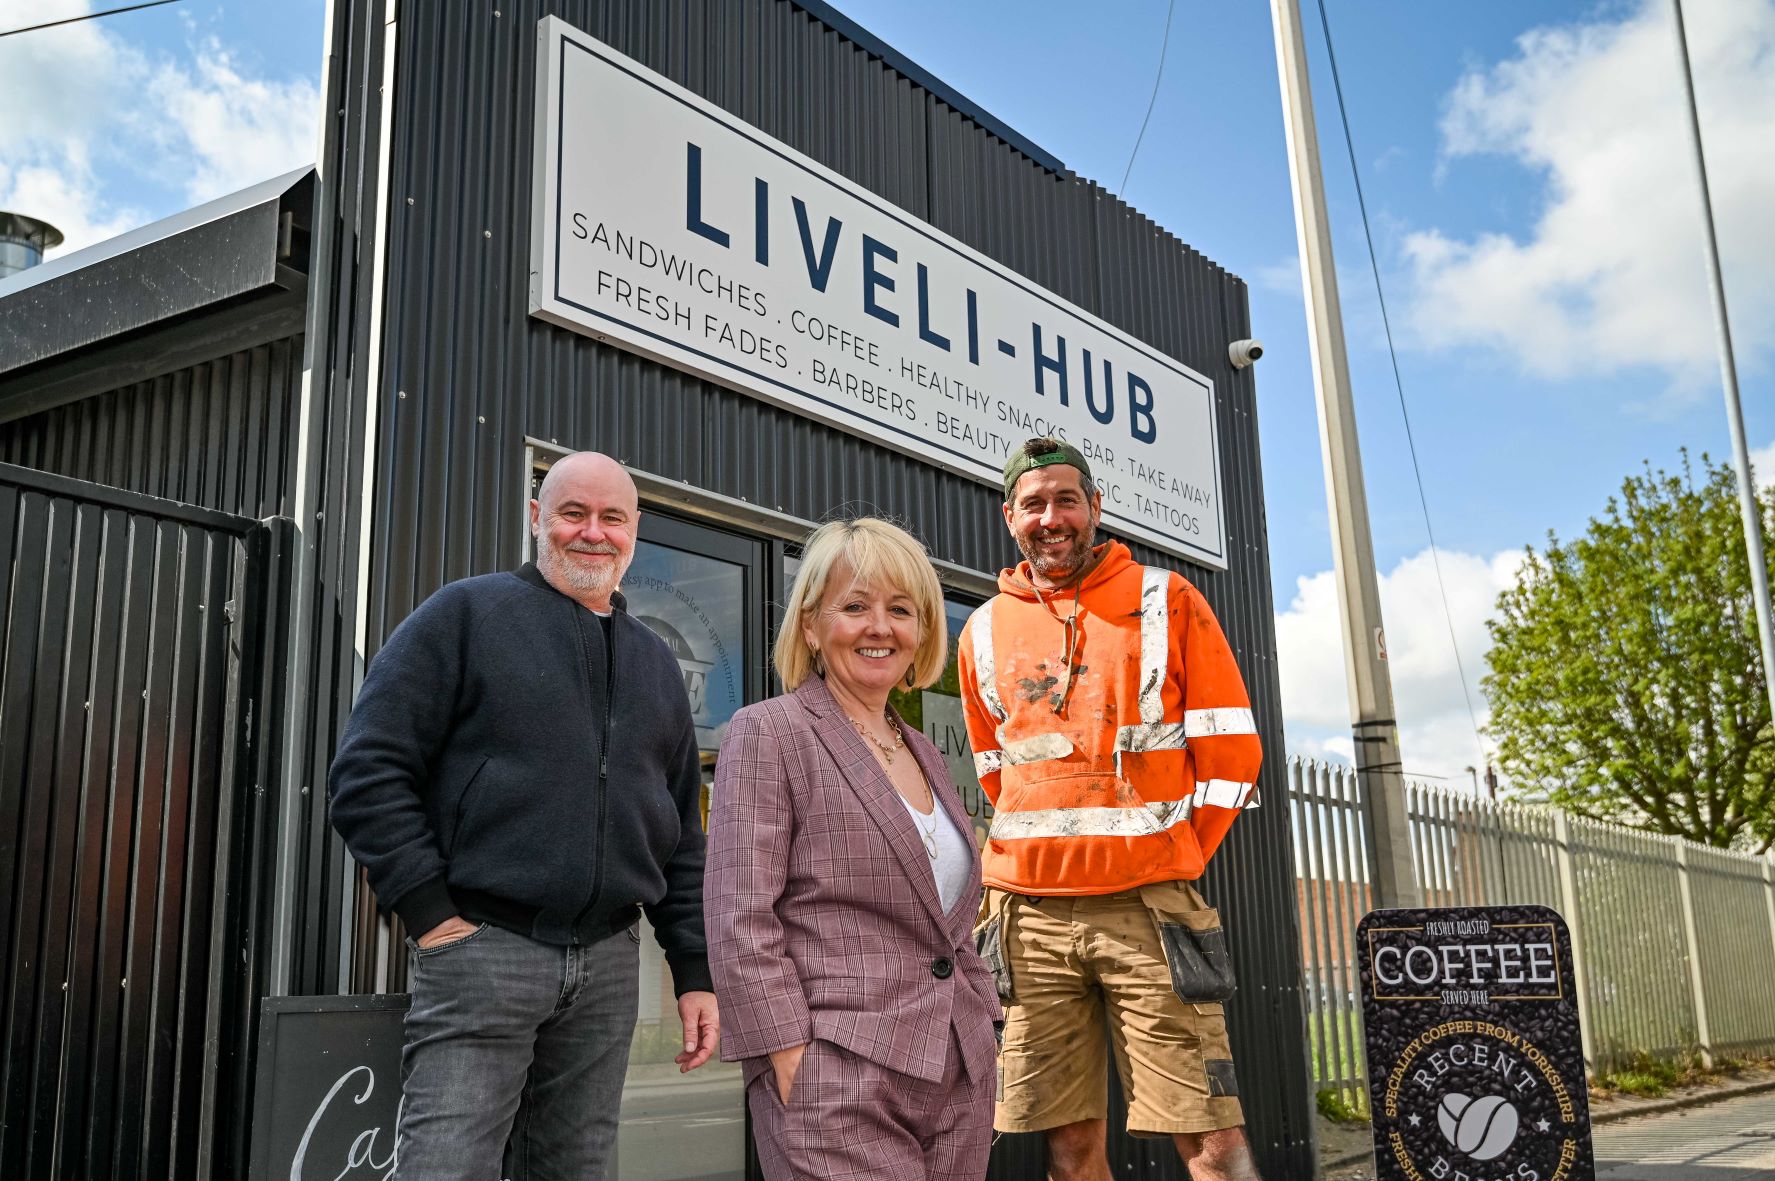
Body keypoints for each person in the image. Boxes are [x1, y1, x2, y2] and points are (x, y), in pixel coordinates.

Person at [327, 451, 719, 1181]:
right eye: (573, 512)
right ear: (537, 516)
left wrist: (693, 967)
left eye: (611, 518)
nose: (591, 533)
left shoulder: (656, 664)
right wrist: (433, 914)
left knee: (574, 1168)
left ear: (635, 531)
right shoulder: (464, 614)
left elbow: (679, 836)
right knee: (445, 1166)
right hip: (483, 949)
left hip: (606, 963)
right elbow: (366, 771)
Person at [958, 437, 1265, 1181]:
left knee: (1212, 1140)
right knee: (1068, 1149)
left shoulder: (1167, 599)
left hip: (1147, 908)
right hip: (1027, 917)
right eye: (1034, 503)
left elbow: (1232, 757)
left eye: (1067, 499)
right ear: (1010, 518)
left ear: (1095, 508)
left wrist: (1172, 852)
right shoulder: (982, 629)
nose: (1051, 516)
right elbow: (996, 774)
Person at [706, 518, 1000, 1181]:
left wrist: (984, 1026)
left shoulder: (923, 751)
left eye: (900, 609)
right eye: (855, 605)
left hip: (956, 1071)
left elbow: (946, 926)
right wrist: (788, 1056)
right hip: (836, 1073)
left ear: (921, 630)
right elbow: (739, 915)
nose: (880, 626)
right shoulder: (769, 732)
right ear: (811, 624)